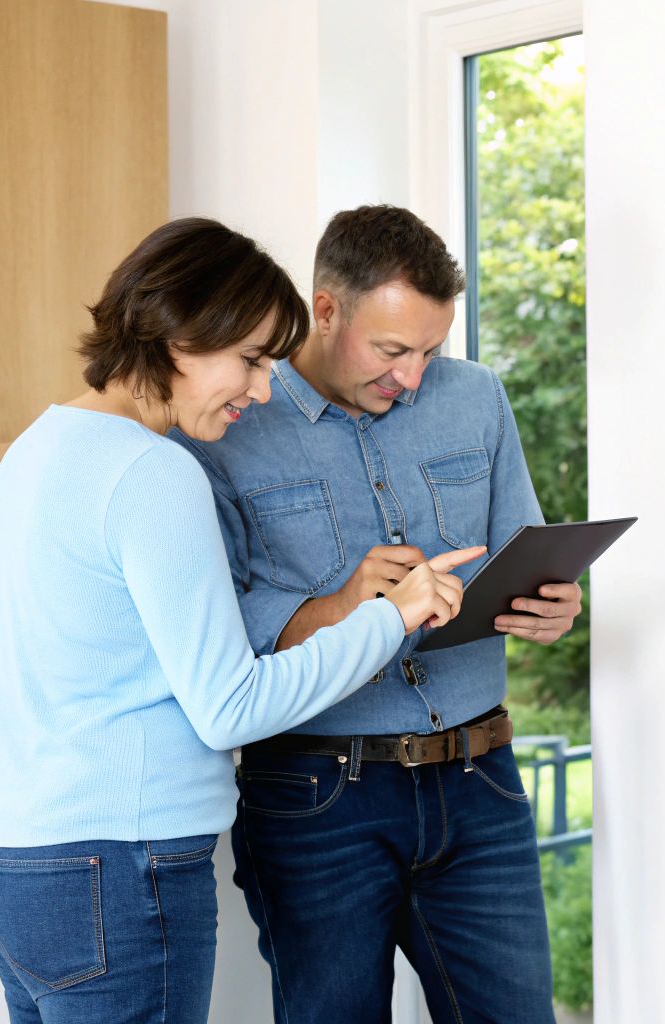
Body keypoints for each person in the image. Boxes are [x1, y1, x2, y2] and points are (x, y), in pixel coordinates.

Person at [0, 216, 483, 1024]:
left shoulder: (38, 446)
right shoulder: (153, 472)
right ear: (177, 337)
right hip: (117, 868)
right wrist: (391, 615)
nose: (263, 390)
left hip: (9, 866)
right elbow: (230, 706)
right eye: (249, 360)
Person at [176, 205, 581, 1023]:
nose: (415, 377)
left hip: (481, 780)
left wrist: (555, 605)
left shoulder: (478, 399)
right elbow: (213, 622)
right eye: (392, 350)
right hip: (317, 794)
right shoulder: (225, 425)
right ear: (326, 308)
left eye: (431, 350)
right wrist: (343, 606)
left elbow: (520, 551)